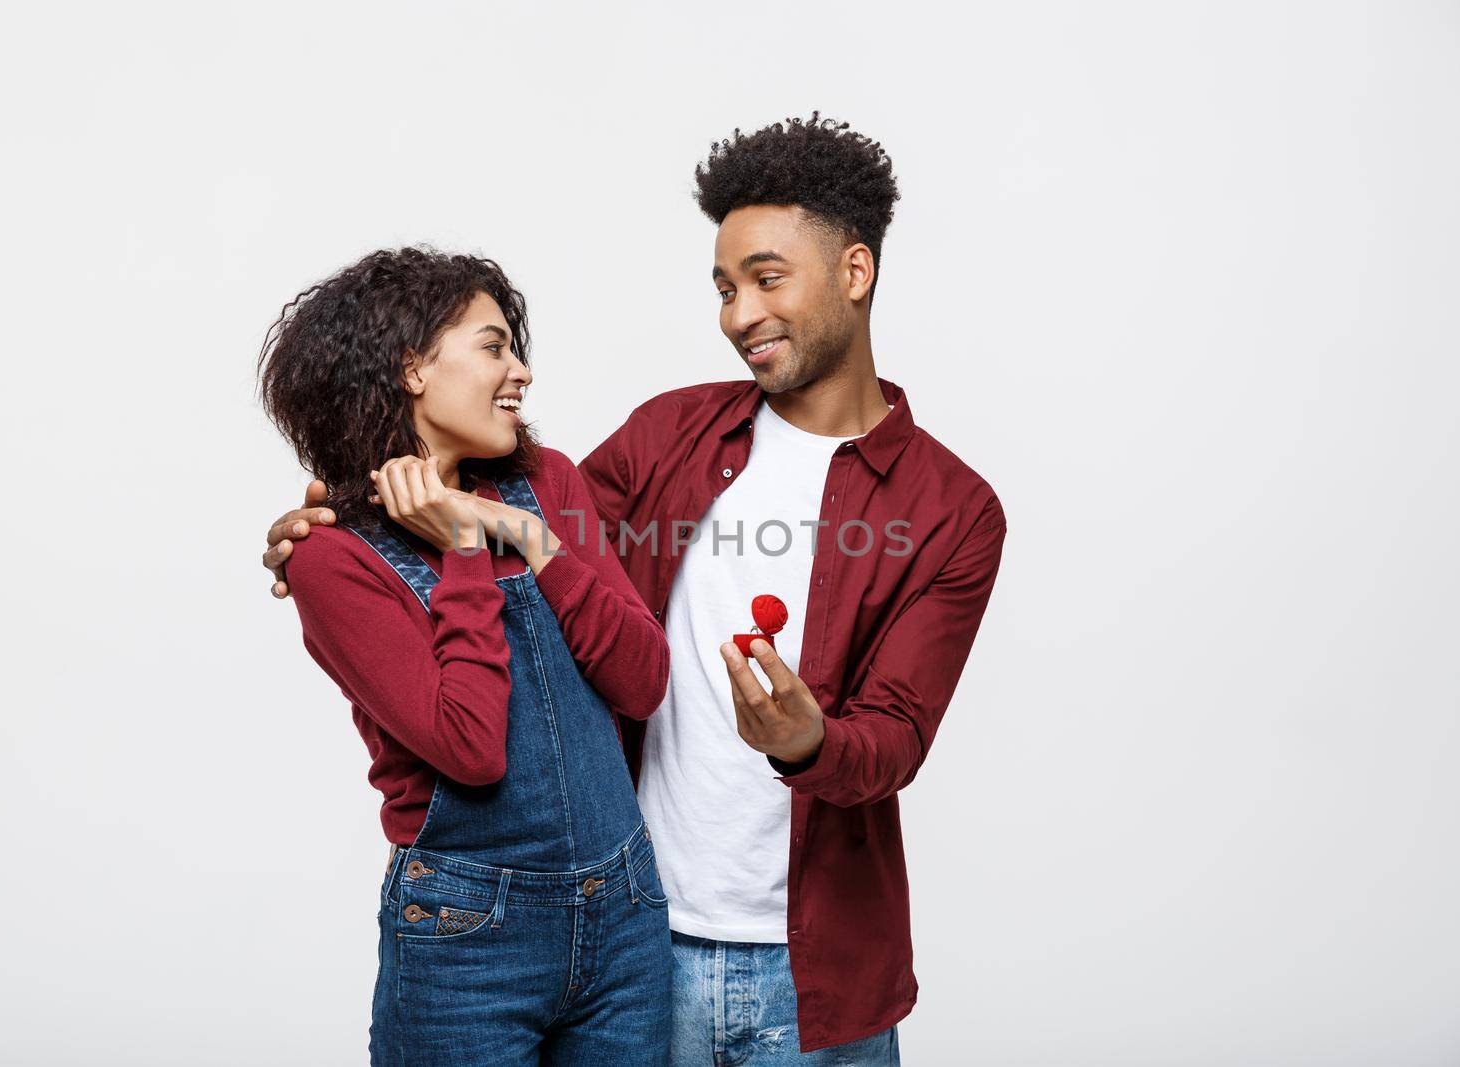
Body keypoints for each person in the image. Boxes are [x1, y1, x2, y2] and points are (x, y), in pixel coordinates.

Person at [265, 114, 1007, 1064]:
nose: (740, 314)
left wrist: (808, 740)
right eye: (725, 288)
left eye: (767, 280)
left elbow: (896, 735)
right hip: (639, 939)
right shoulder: (670, 437)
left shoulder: (953, 509)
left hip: (813, 970)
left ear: (854, 273)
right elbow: (493, 512)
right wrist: (328, 517)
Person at [257, 247, 673, 1065]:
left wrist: (530, 536)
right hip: (466, 942)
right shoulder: (331, 560)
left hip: (625, 916)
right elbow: (471, 746)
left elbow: (642, 679)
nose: (520, 370)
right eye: (494, 346)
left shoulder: (548, 482)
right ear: (411, 366)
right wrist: (464, 550)